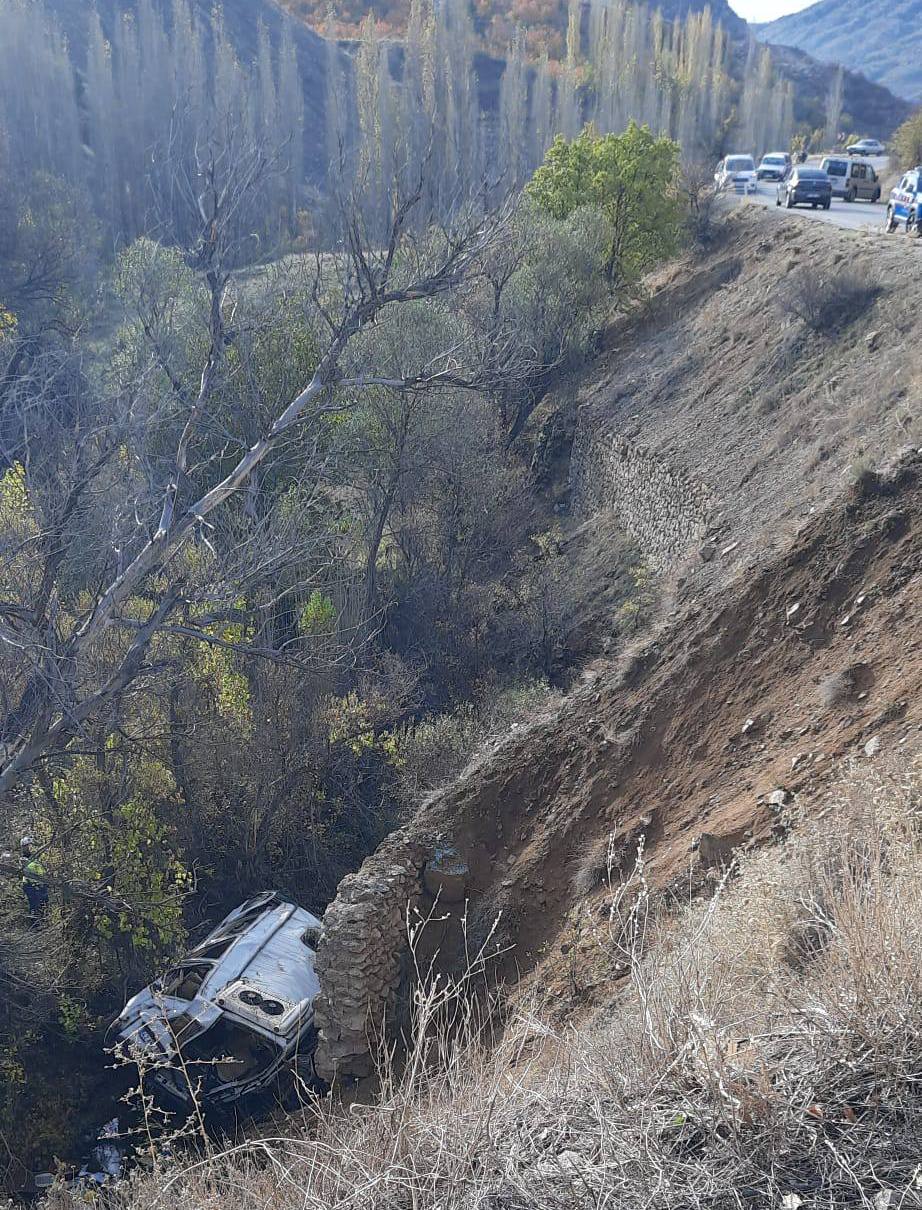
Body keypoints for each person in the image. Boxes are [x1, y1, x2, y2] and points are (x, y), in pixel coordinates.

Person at [20, 837, 49, 918]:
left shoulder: (37, 856)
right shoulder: (24, 859)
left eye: (29, 845)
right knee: (34, 904)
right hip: (30, 885)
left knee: (44, 903)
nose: (28, 847)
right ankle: (35, 924)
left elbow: (41, 869)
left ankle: (44, 920)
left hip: (41, 883)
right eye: (25, 846)